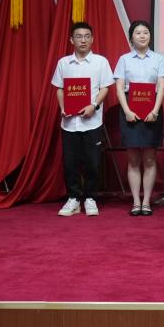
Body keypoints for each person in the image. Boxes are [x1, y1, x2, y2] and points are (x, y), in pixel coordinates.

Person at [52, 22, 114, 217]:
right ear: (72, 40)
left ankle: (90, 198)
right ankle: (73, 198)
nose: (83, 40)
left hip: (92, 122)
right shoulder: (63, 63)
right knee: (70, 162)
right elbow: (60, 88)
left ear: (92, 39)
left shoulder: (101, 62)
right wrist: (63, 107)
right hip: (69, 123)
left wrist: (93, 105)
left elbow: (105, 88)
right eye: (79, 36)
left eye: (87, 36)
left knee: (92, 162)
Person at [113, 20, 164, 215]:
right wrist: (127, 111)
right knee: (133, 159)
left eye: (145, 32)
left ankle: (146, 202)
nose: (142, 35)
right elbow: (119, 88)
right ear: (131, 38)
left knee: (150, 158)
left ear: (150, 36)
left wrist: (155, 111)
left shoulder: (159, 59)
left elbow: (161, 87)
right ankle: (136, 201)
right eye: (138, 33)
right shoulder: (124, 59)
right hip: (129, 110)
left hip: (152, 109)